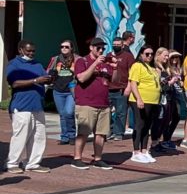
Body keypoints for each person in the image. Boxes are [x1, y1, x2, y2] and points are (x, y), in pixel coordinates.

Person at [7, 40, 52, 173]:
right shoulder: (14, 64)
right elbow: (14, 83)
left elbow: (44, 78)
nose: (31, 53)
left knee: (39, 136)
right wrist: (35, 80)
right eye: (28, 51)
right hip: (22, 106)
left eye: (33, 51)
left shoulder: (37, 64)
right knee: (20, 136)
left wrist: (50, 79)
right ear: (20, 50)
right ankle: (12, 163)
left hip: (37, 105)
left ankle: (33, 163)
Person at [73, 38, 116, 170]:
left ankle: (98, 159)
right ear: (91, 48)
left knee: (101, 133)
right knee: (83, 132)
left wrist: (115, 68)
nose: (101, 50)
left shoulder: (106, 63)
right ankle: (77, 158)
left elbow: (113, 81)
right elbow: (81, 78)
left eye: (103, 48)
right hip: (86, 103)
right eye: (98, 48)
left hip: (103, 103)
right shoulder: (83, 61)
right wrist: (96, 63)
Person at [127, 46, 162, 164]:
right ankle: (136, 151)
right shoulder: (137, 66)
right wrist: (139, 99)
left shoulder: (151, 68)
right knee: (140, 124)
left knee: (147, 126)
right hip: (141, 99)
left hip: (152, 101)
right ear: (141, 54)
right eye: (147, 54)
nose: (150, 56)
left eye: (151, 54)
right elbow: (133, 83)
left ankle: (144, 150)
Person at [46, 39, 77, 145]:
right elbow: (48, 72)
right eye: (62, 46)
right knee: (62, 114)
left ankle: (72, 135)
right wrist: (51, 74)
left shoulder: (77, 59)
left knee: (69, 112)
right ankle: (65, 137)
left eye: (66, 47)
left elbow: (81, 72)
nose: (64, 48)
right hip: (58, 90)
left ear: (71, 48)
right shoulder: (55, 59)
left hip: (71, 90)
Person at [107, 31, 135, 140]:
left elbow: (132, 73)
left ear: (122, 45)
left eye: (118, 45)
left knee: (121, 112)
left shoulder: (128, 56)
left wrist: (129, 87)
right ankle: (109, 131)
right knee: (106, 112)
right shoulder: (108, 56)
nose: (116, 46)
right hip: (108, 88)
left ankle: (118, 133)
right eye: (114, 44)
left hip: (121, 88)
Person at [151, 48, 179, 154]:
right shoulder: (156, 68)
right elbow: (159, 85)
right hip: (160, 98)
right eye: (165, 55)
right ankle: (154, 143)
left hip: (168, 98)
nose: (167, 58)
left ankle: (158, 141)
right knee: (158, 120)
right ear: (158, 55)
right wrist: (170, 82)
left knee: (165, 121)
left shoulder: (166, 68)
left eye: (168, 56)